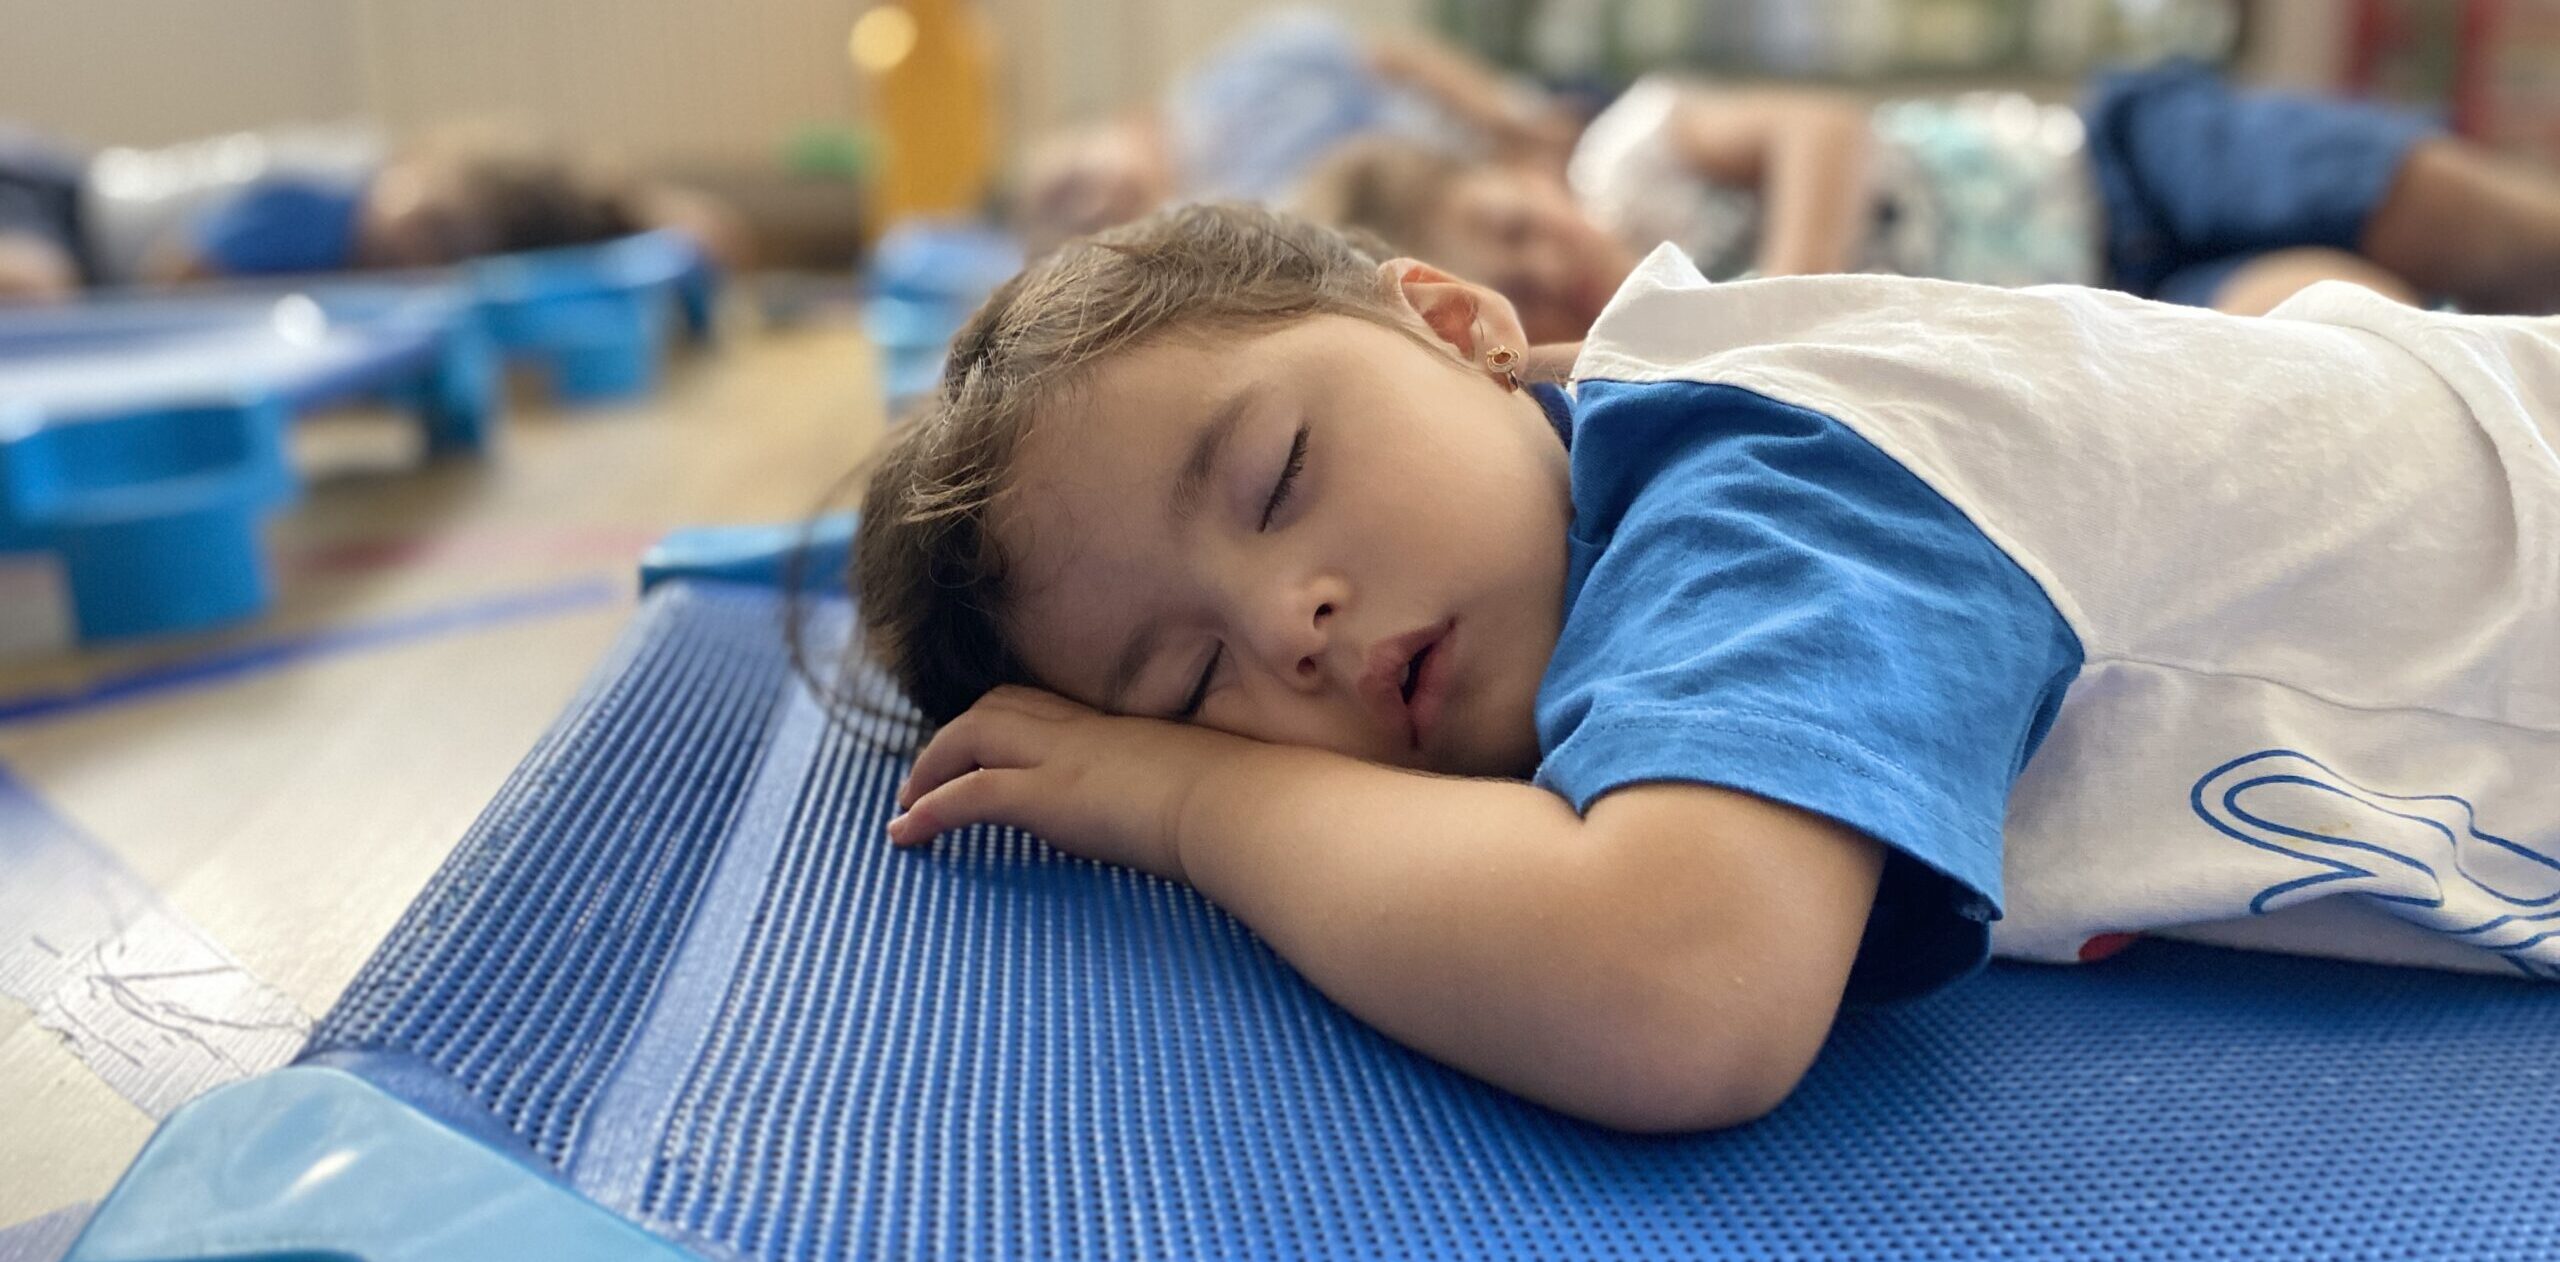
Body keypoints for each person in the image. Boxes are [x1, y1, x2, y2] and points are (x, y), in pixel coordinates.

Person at [847, 203, 2560, 1134]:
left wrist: (1185, 788)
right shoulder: (1626, 529)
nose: (1291, 618)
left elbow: (1673, 986)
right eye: (1185, 674)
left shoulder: (1784, 473)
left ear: (1456, 326)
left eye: (1282, 471)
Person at [1295, 60, 2560, 341]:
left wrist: (1780, 293)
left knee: (2442, 209)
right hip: (2119, 305)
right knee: (2339, 325)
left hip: (2110, 157)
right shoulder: (1642, 343)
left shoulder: (1633, 156)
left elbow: (1822, 128)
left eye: (1517, 224)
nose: (1548, 259)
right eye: (1512, 275)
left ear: (1521, 175)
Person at [1016, 7, 1574, 256]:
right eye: (1069, 219)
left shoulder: (1239, 74)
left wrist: (1517, 129)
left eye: (1071, 184)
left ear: (1121, 122)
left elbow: (1397, 61)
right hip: (1496, 237)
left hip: (1526, 140)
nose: (1090, 206)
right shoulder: (1201, 244)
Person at [0, 121, 748, 302]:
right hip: (51, 203)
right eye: (428, 228)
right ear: (409, 171)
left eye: (448, 258)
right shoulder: (319, 203)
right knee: (33, 289)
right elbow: (177, 277)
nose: (415, 258)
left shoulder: (382, 220)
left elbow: (714, 232)